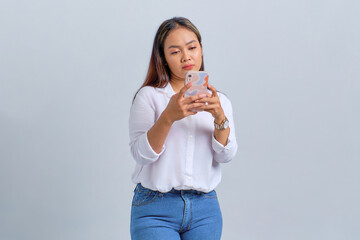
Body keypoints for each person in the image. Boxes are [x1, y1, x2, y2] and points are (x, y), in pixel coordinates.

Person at [129, 17, 238, 240]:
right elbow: (141, 155)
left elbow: (225, 155)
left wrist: (219, 117)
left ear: (201, 49)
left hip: (205, 209)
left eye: (192, 47)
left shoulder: (221, 102)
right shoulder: (149, 97)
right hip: (154, 209)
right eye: (175, 51)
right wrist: (169, 116)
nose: (186, 56)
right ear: (164, 59)